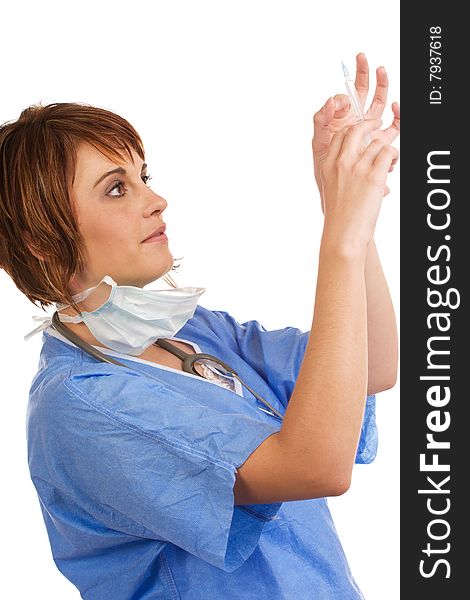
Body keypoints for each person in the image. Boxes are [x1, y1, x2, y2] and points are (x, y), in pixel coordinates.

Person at [0, 52, 399, 599]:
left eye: (144, 177)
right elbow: (315, 467)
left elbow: (371, 366)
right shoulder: (80, 407)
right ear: (41, 243)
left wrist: (350, 213)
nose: (156, 200)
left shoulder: (194, 334)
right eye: (117, 188)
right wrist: (340, 243)